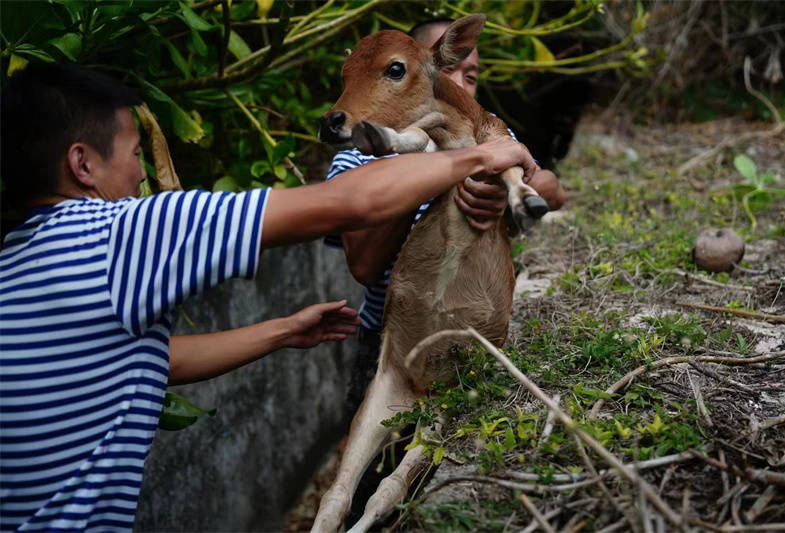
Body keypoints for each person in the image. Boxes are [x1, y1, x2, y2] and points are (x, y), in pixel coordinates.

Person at [0, 63, 539, 531]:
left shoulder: (18, 260)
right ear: (83, 165)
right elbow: (349, 202)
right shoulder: (116, 235)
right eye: (135, 154)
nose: (142, 173)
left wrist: (280, 331)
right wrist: (478, 158)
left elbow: (142, 363)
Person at [325, 19, 566, 418]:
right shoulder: (360, 153)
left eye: (467, 74)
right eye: (443, 69)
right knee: (376, 461)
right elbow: (365, 265)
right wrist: (433, 172)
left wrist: (510, 194)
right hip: (392, 341)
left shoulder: (484, 133)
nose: (452, 82)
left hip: (470, 337)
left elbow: (553, 189)